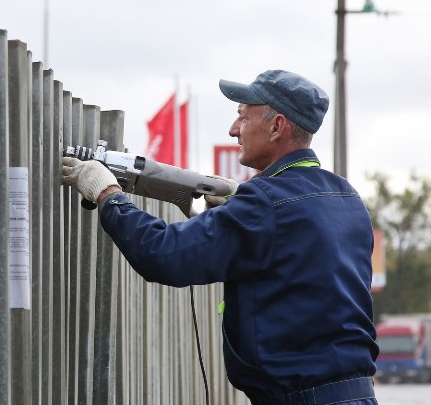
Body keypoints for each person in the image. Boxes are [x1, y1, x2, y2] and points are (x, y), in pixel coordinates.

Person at [62, 70, 379, 405]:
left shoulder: (264, 204)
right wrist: (231, 213)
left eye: (243, 116)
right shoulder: (347, 198)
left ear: (277, 126)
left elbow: (164, 255)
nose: (233, 129)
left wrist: (108, 195)